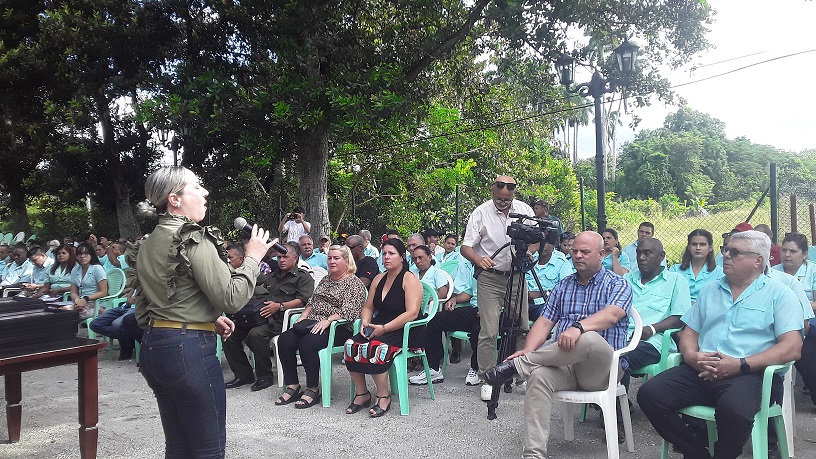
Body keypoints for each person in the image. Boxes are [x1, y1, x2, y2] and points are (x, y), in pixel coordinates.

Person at [131, 166, 273, 458]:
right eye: (196, 187)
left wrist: (207, 317)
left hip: (155, 347)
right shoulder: (193, 237)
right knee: (209, 450)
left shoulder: (149, 241)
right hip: (187, 351)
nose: (205, 192)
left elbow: (154, 303)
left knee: (179, 447)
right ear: (174, 199)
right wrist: (253, 257)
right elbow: (232, 298)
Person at [638, 230, 804, 459]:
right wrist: (690, 356)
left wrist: (741, 364)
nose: (726, 255)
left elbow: (792, 347)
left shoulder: (780, 295)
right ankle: (697, 453)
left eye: (735, 252)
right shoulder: (711, 290)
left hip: (750, 374)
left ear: (758, 260)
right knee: (650, 394)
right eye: (726, 250)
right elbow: (688, 332)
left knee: (734, 410)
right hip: (702, 369)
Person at [483, 231, 632, 458]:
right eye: (574, 251)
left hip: (602, 371)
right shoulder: (564, 286)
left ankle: (520, 366)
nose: (578, 256)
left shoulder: (618, 284)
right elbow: (543, 324)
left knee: (589, 337)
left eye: (585, 252)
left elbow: (612, 316)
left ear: (601, 254)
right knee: (539, 376)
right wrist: (528, 348)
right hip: (566, 366)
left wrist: (579, 327)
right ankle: (533, 454)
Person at [460, 175, 534, 401]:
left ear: (513, 193)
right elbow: (465, 247)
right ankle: (487, 378)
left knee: (522, 326)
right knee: (489, 330)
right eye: (499, 198)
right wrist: (478, 259)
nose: (503, 202)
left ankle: (521, 375)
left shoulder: (524, 210)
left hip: (517, 274)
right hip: (490, 278)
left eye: (507, 198)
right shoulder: (480, 212)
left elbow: (536, 238)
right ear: (492, 190)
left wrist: (530, 251)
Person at [275, 246, 367, 408]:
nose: (332, 261)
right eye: (330, 258)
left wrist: (328, 320)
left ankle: (312, 388)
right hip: (313, 323)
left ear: (346, 261)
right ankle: (292, 385)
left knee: (308, 343)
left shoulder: (354, 283)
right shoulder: (326, 279)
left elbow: (350, 311)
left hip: (338, 327)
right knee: (285, 339)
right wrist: (303, 317)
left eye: (336, 258)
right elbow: (312, 301)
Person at [344, 238, 422, 417]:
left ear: (402, 257)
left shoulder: (409, 279)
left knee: (376, 348)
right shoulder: (379, 278)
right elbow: (368, 307)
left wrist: (384, 329)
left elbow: (411, 313)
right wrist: (365, 322)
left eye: (391, 254)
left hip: (404, 329)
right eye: (384, 253)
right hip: (380, 324)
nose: (386, 257)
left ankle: (383, 395)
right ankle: (362, 393)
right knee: (350, 345)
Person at [224, 241, 315, 392]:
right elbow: (260, 290)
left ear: (296, 258)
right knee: (229, 333)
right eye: (278, 257)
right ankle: (243, 374)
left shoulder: (303, 277)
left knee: (255, 335)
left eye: (285, 257)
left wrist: (279, 306)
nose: (281, 260)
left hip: (282, 319)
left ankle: (264, 375)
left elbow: (304, 301)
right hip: (261, 316)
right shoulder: (272, 276)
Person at [621, 238, 690, 388]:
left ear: (661, 256)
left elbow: (680, 318)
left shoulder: (676, 280)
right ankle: (615, 404)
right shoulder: (626, 279)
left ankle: (615, 409)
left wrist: (651, 329)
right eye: (638, 253)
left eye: (647, 253)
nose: (641, 258)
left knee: (617, 359)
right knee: (595, 356)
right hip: (620, 338)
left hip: (652, 342)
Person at [772, 232, 816, 406]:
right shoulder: (773, 273)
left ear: (804, 254)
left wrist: (797, 305)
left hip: (810, 318)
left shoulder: (813, 270)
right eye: (784, 250)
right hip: (787, 322)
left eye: (793, 251)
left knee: (807, 342)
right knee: (805, 348)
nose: (787, 255)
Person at [669, 229, 724, 304]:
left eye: (702, 244)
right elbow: (669, 295)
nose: (698, 248)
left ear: (710, 248)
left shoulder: (719, 273)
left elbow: (720, 300)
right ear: (689, 247)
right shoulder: (675, 270)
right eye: (694, 244)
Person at [525, 239, 574, 320]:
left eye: (548, 242)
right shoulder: (528, 260)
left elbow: (566, 291)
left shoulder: (562, 263)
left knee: (544, 315)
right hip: (524, 304)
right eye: (542, 242)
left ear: (554, 245)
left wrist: (541, 293)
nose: (544, 246)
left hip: (546, 304)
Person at [69, 242, 109, 320]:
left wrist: (85, 299)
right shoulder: (75, 269)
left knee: (75, 314)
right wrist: (78, 300)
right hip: (80, 302)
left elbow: (104, 292)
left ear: (91, 255)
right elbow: (73, 291)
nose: (82, 256)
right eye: (80, 254)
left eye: (86, 254)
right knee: (62, 311)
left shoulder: (97, 268)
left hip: (96, 303)